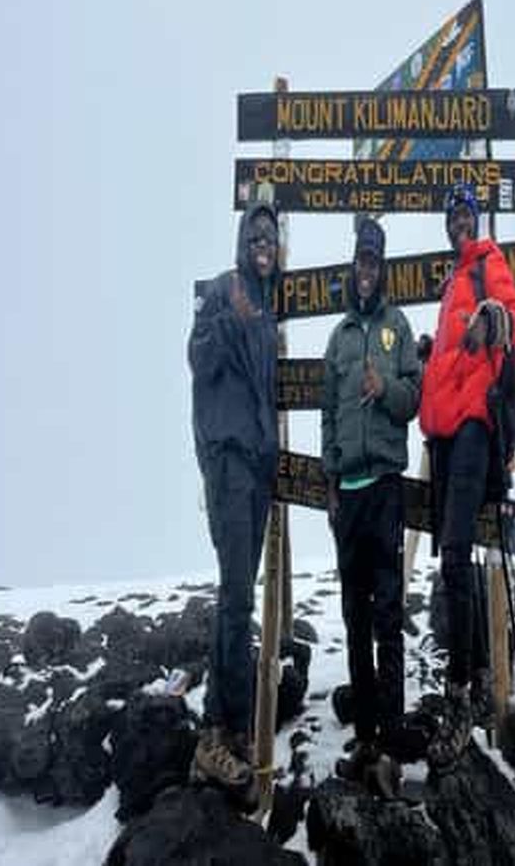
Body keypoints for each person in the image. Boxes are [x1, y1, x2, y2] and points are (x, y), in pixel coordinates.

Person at [419, 184, 515, 769]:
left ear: (476, 219)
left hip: (471, 427)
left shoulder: (489, 263)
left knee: (456, 555)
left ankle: (460, 694)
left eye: (465, 213)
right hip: (443, 432)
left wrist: (497, 319)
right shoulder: (452, 283)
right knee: (454, 553)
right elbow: (454, 355)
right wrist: (430, 356)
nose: (458, 222)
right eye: (452, 216)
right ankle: (482, 676)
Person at [321, 217, 421, 797]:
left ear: (382, 270)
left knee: (387, 615)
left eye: (374, 262)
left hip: (384, 486)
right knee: (354, 618)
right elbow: (327, 414)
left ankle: (391, 738)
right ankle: (364, 738)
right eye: (361, 261)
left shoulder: (397, 326)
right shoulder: (338, 337)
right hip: (348, 497)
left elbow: (414, 399)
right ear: (353, 266)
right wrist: (330, 482)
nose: (366, 270)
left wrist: (386, 390)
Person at [187, 200, 280, 808]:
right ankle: (222, 732)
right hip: (226, 459)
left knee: (238, 595)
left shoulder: (268, 311)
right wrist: (228, 320)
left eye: (270, 238)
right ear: (242, 242)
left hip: (257, 466)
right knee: (237, 597)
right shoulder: (224, 292)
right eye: (255, 237)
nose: (263, 245)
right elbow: (197, 359)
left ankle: (225, 732)